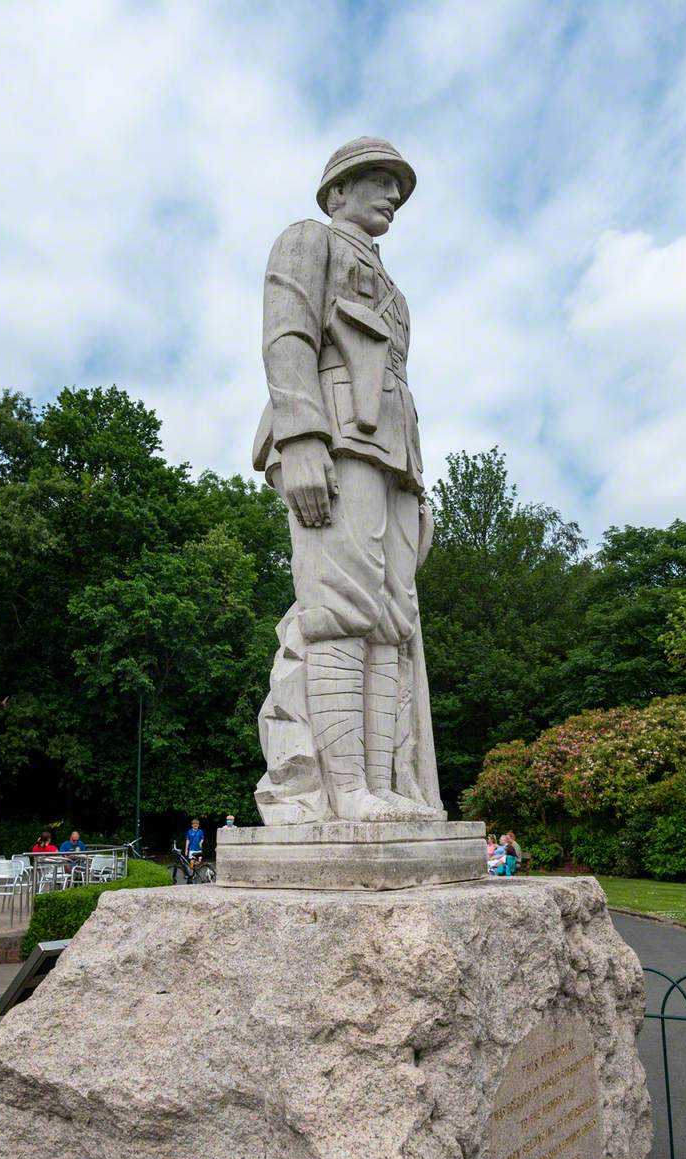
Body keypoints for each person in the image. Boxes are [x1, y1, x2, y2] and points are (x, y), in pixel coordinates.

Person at [253, 136, 440, 826]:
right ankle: (343, 791)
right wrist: (300, 438)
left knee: (390, 622)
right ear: (336, 192)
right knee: (339, 611)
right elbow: (287, 336)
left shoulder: (393, 289)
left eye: (397, 184)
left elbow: (396, 381)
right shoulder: (308, 240)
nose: (390, 195)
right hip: (334, 437)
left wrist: (414, 485)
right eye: (376, 181)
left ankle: (382, 788)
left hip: (391, 458)